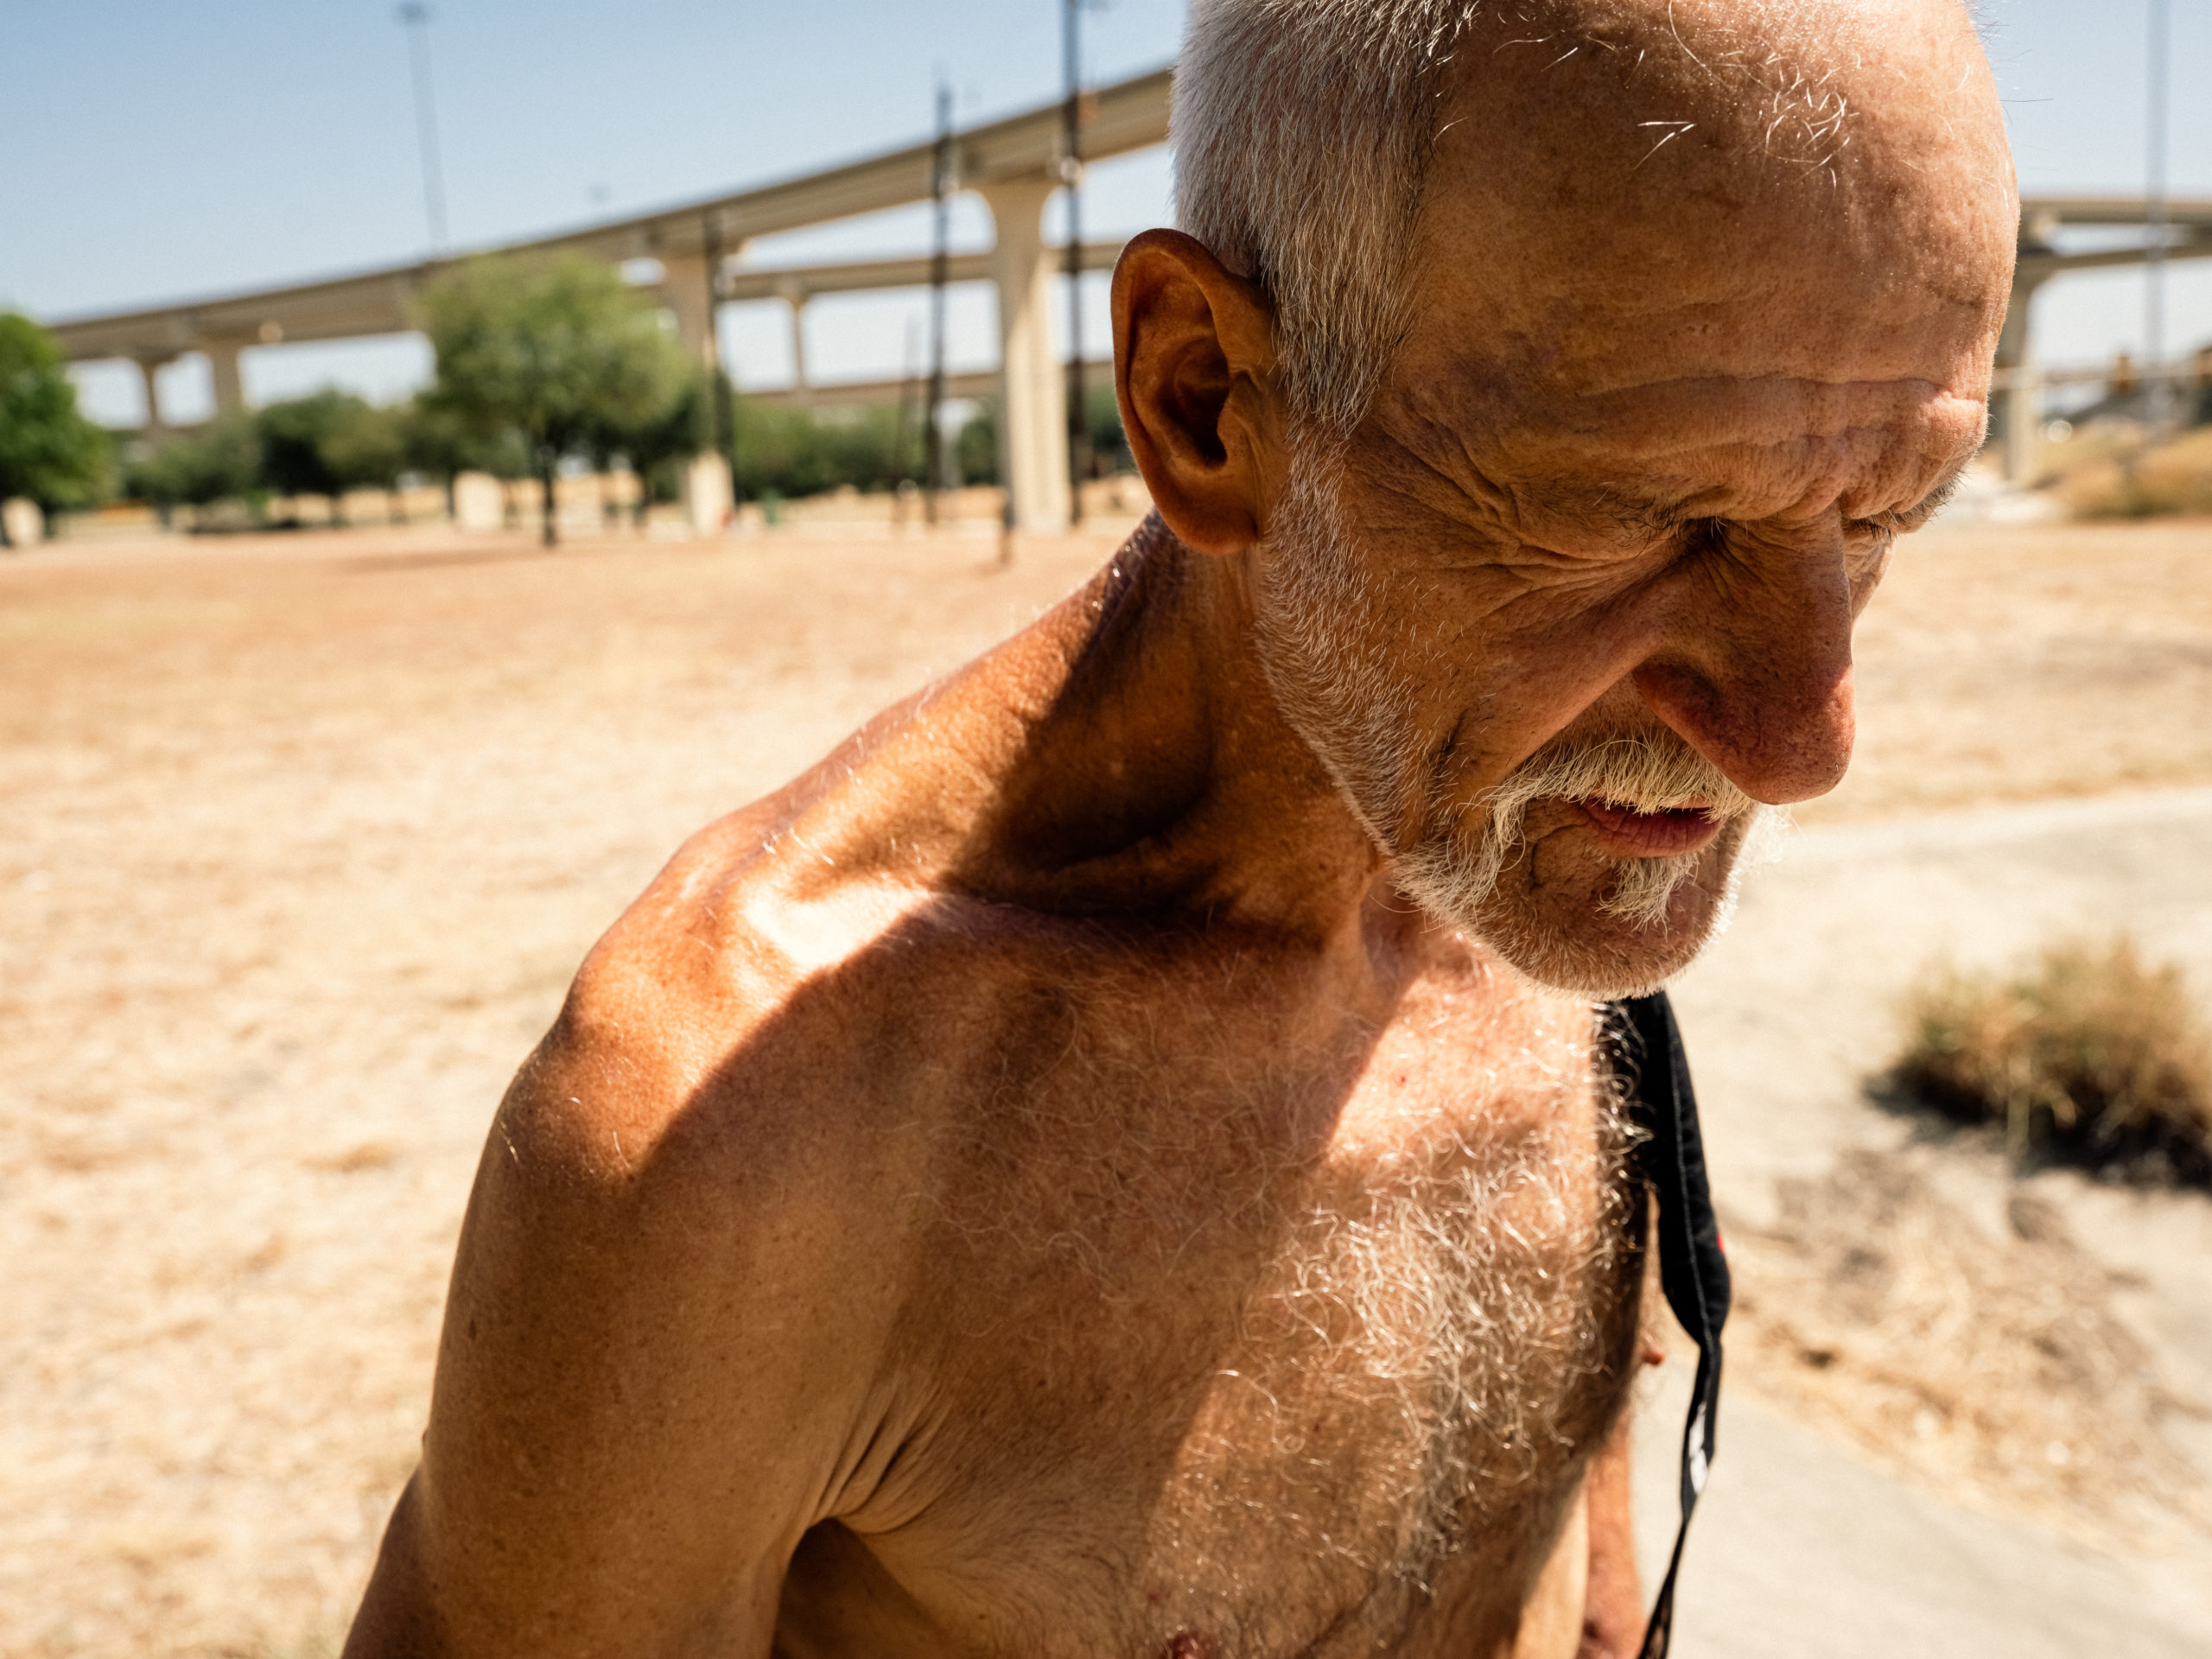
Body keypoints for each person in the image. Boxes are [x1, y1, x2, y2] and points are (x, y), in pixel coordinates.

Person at [345, 1, 2015, 1653]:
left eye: (1884, 521)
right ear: (1205, 397)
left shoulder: (1540, 843)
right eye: (1643, 516)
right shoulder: (744, 1138)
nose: (1803, 743)